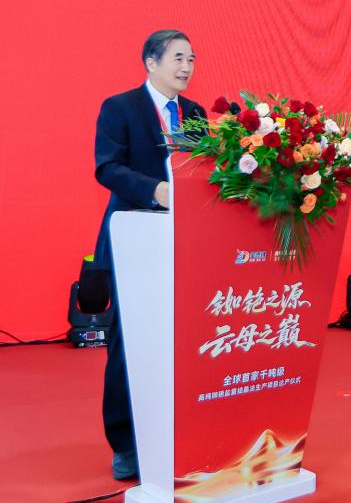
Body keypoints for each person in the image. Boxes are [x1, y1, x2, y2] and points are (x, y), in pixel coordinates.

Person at [93, 29, 205, 480]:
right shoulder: (120, 107)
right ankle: (126, 443)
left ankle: (177, 432)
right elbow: (107, 167)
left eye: (192, 59)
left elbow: (202, 169)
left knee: (182, 341)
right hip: (135, 239)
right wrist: (156, 190)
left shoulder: (195, 114)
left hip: (186, 240)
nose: (187, 67)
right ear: (151, 62)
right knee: (129, 345)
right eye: (178, 58)